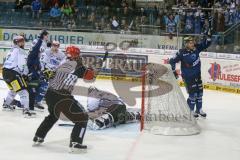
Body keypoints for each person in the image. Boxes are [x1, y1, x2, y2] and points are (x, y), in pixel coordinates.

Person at [33, 46, 95, 151]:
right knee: (82, 118)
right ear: (76, 55)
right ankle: (76, 142)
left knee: (53, 115)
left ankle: (39, 136)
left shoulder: (61, 62)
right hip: (62, 96)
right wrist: (92, 69)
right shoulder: (78, 65)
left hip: (50, 93)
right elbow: (89, 78)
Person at [168, 34, 212, 118]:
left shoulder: (196, 48)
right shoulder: (181, 52)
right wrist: (174, 71)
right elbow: (171, 61)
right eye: (191, 43)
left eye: (193, 42)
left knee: (200, 94)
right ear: (186, 44)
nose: (193, 44)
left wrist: (209, 37)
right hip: (188, 77)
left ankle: (199, 110)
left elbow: (206, 44)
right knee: (193, 95)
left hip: (197, 76)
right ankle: (190, 111)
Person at [2, 36, 35, 117]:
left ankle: (6, 105)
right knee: (24, 92)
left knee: (13, 90)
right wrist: (25, 74)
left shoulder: (11, 50)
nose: (24, 43)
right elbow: (22, 65)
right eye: (22, 41)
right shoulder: (21, 51)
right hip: (14, 73)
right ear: (18, 42)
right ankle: (26, 111)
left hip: (5, 72)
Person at [34, 40, 66, 109]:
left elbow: (63, 64)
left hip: (54, 72)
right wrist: (43, 70)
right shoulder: (47, 51)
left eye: (57, 46)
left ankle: (45, 97)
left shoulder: (62, 54)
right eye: (54, 45)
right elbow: (41, 62)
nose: (55, 47)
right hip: (45, 71)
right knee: (43, 86)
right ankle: (37, 100)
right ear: (52, 45)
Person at [27, 29, 49, 111]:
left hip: (32, 62)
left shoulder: (36, 40)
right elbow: (39, 53)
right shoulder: (41, 42)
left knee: (36, 82)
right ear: (43, 35)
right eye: (47, 35)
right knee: (35, 82)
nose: (47, 37)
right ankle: (31, 102)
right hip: (34, 64)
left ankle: (33, 100)